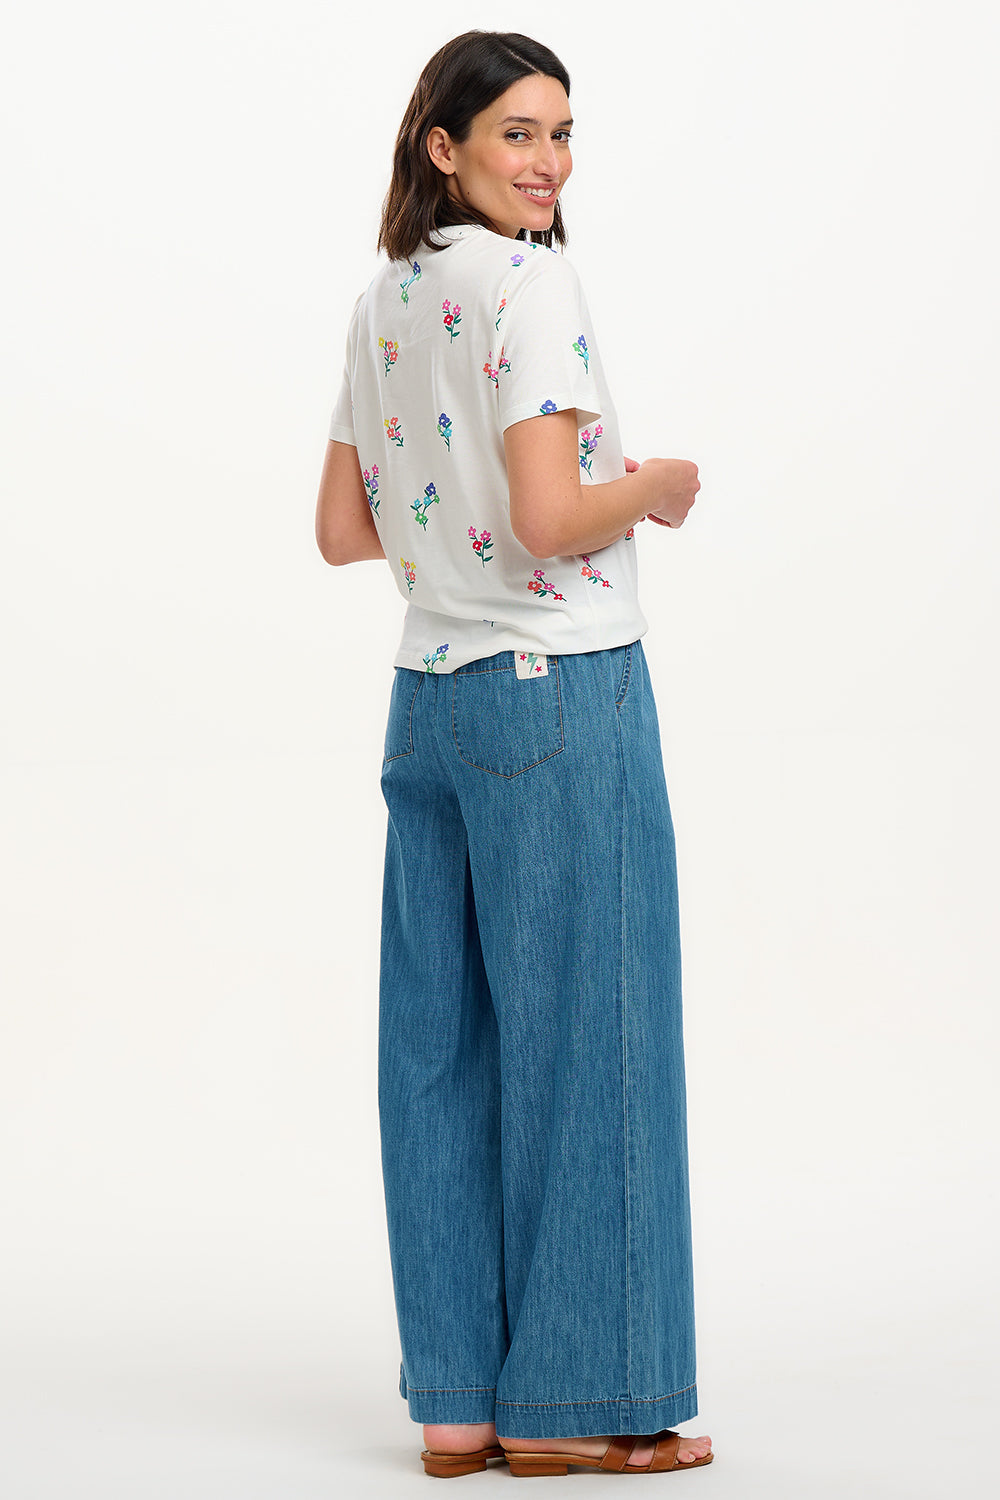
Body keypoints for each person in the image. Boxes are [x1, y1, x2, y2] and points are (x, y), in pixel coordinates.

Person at [315, 29, 713, 1480]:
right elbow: (553, 519)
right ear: (446, 149)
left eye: (561, 135)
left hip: (431, 696)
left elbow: (345, 532)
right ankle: (583, 1402)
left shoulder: (386, 299)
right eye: (517, 136)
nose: (546, 164)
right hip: (564, 693)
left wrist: (455, 538)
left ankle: (459, 1407)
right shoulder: (531, 284)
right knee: (593, 1038)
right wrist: (649, 486)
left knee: (440, 1047)